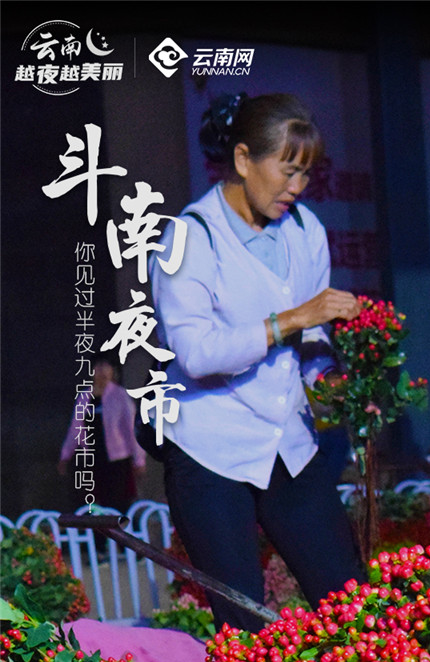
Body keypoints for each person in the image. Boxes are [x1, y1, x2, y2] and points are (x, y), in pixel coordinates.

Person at [149, 92, 366, 633]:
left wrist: (331, 380)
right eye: (288, 171)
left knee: (354, 609)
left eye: (306, 174)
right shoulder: (190, 237)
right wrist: (290, 319)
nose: (298, 186)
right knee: (247, 631)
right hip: (209, 452)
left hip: (288, 442)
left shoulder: (306, 231)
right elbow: (196, 354)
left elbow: (312, 339)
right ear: (244, 159)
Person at [58, 356, 146, 516]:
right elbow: (75, 428)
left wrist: (138, 459)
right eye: (98, 367)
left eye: (106, 367)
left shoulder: (120, 396)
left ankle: (119, 532)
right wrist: (65, 455)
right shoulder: (84, 397)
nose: (102, 372)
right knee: (93, 504)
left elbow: (131, 429)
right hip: (92, 458)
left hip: (117, 461)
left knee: (117, 503)